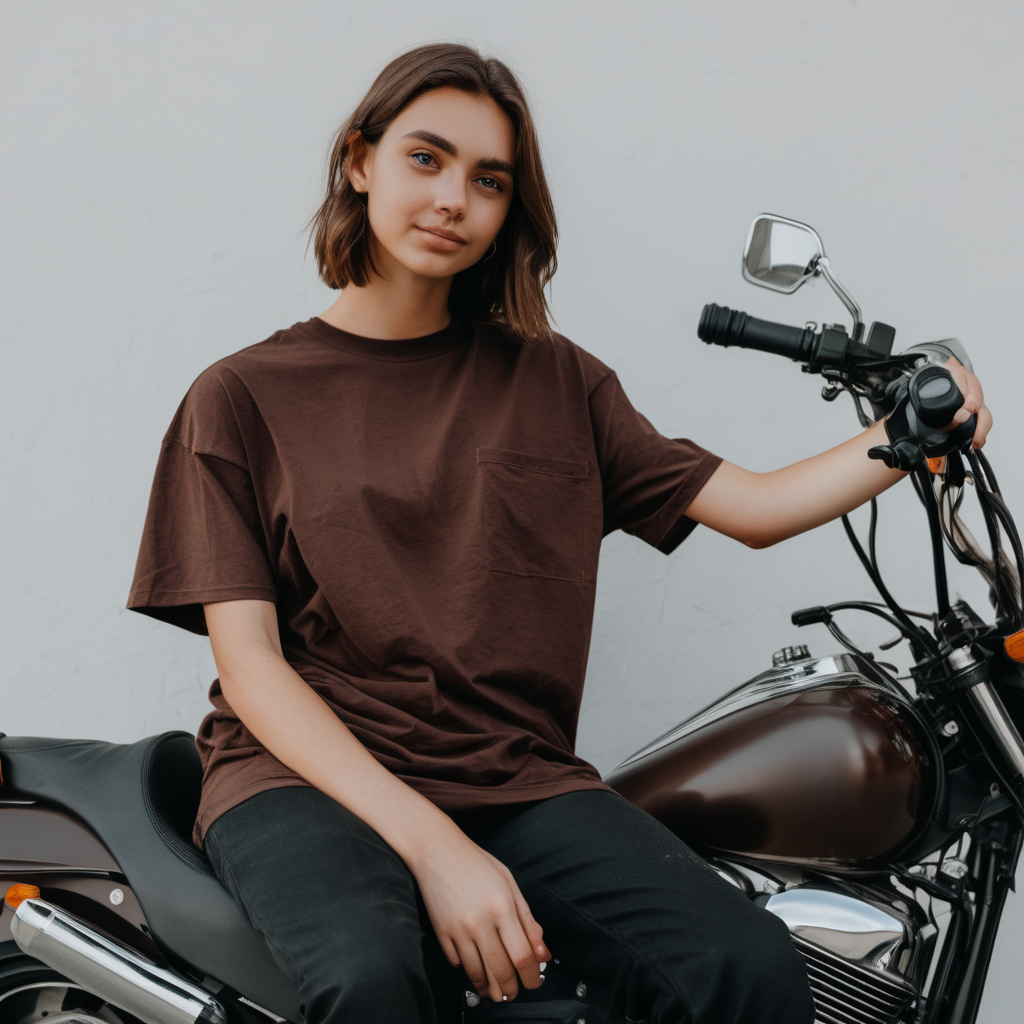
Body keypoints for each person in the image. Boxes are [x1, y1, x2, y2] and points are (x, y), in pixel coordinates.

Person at [126, 42, 991, 1024]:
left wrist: (905, 435)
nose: (453, 196)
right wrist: (435, 847)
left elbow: (748, 506)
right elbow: (253, 670)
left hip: (515, 779)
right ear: (359, 162)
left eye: (487, 179)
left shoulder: (556, 382)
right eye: (425, 158)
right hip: (301, 780)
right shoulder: (241, 397)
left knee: (741, 963)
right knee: (372, 982)